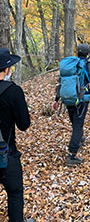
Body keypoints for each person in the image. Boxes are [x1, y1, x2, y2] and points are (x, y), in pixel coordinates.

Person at [0, 48, 35, 222]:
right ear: (6, 70)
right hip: (6, 154)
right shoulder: (13, 91)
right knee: (15, 193)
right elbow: (24, 125)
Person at [52, 44, 90, 166]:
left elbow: (61, 83)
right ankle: (72, 154)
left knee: (75, 120)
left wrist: (56, 99)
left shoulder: (70, 66)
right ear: (88, 54)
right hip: (82, 99)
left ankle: (80, 138)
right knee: (78, 125)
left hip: (68, 97)